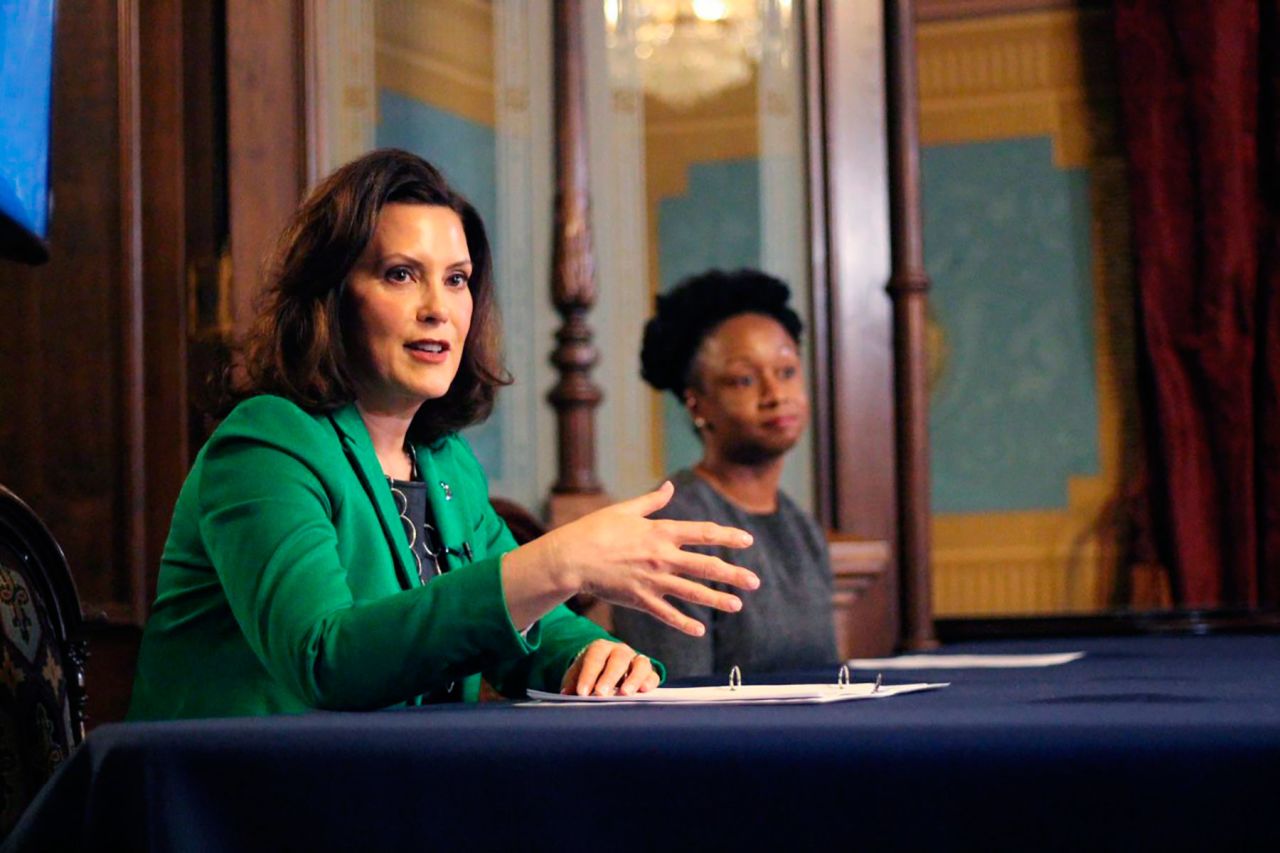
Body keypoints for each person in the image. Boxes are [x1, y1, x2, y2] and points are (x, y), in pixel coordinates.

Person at [127, 150, 759, 719]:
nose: (439, 307)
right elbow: (325, 660)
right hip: (242, 804)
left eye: (456, 279)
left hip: (395, 790)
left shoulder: (443, 462)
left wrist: (597, 655)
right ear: (332, 297)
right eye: (402, 274)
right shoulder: (266, 443)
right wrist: (556, 562)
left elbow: (518, 631)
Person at [611, 269, 838, 679]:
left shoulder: (801, 526)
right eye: (744, 380)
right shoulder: (674, 527)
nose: (775, 395)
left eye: (786, 372)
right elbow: (672, 701)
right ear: (698, 405)